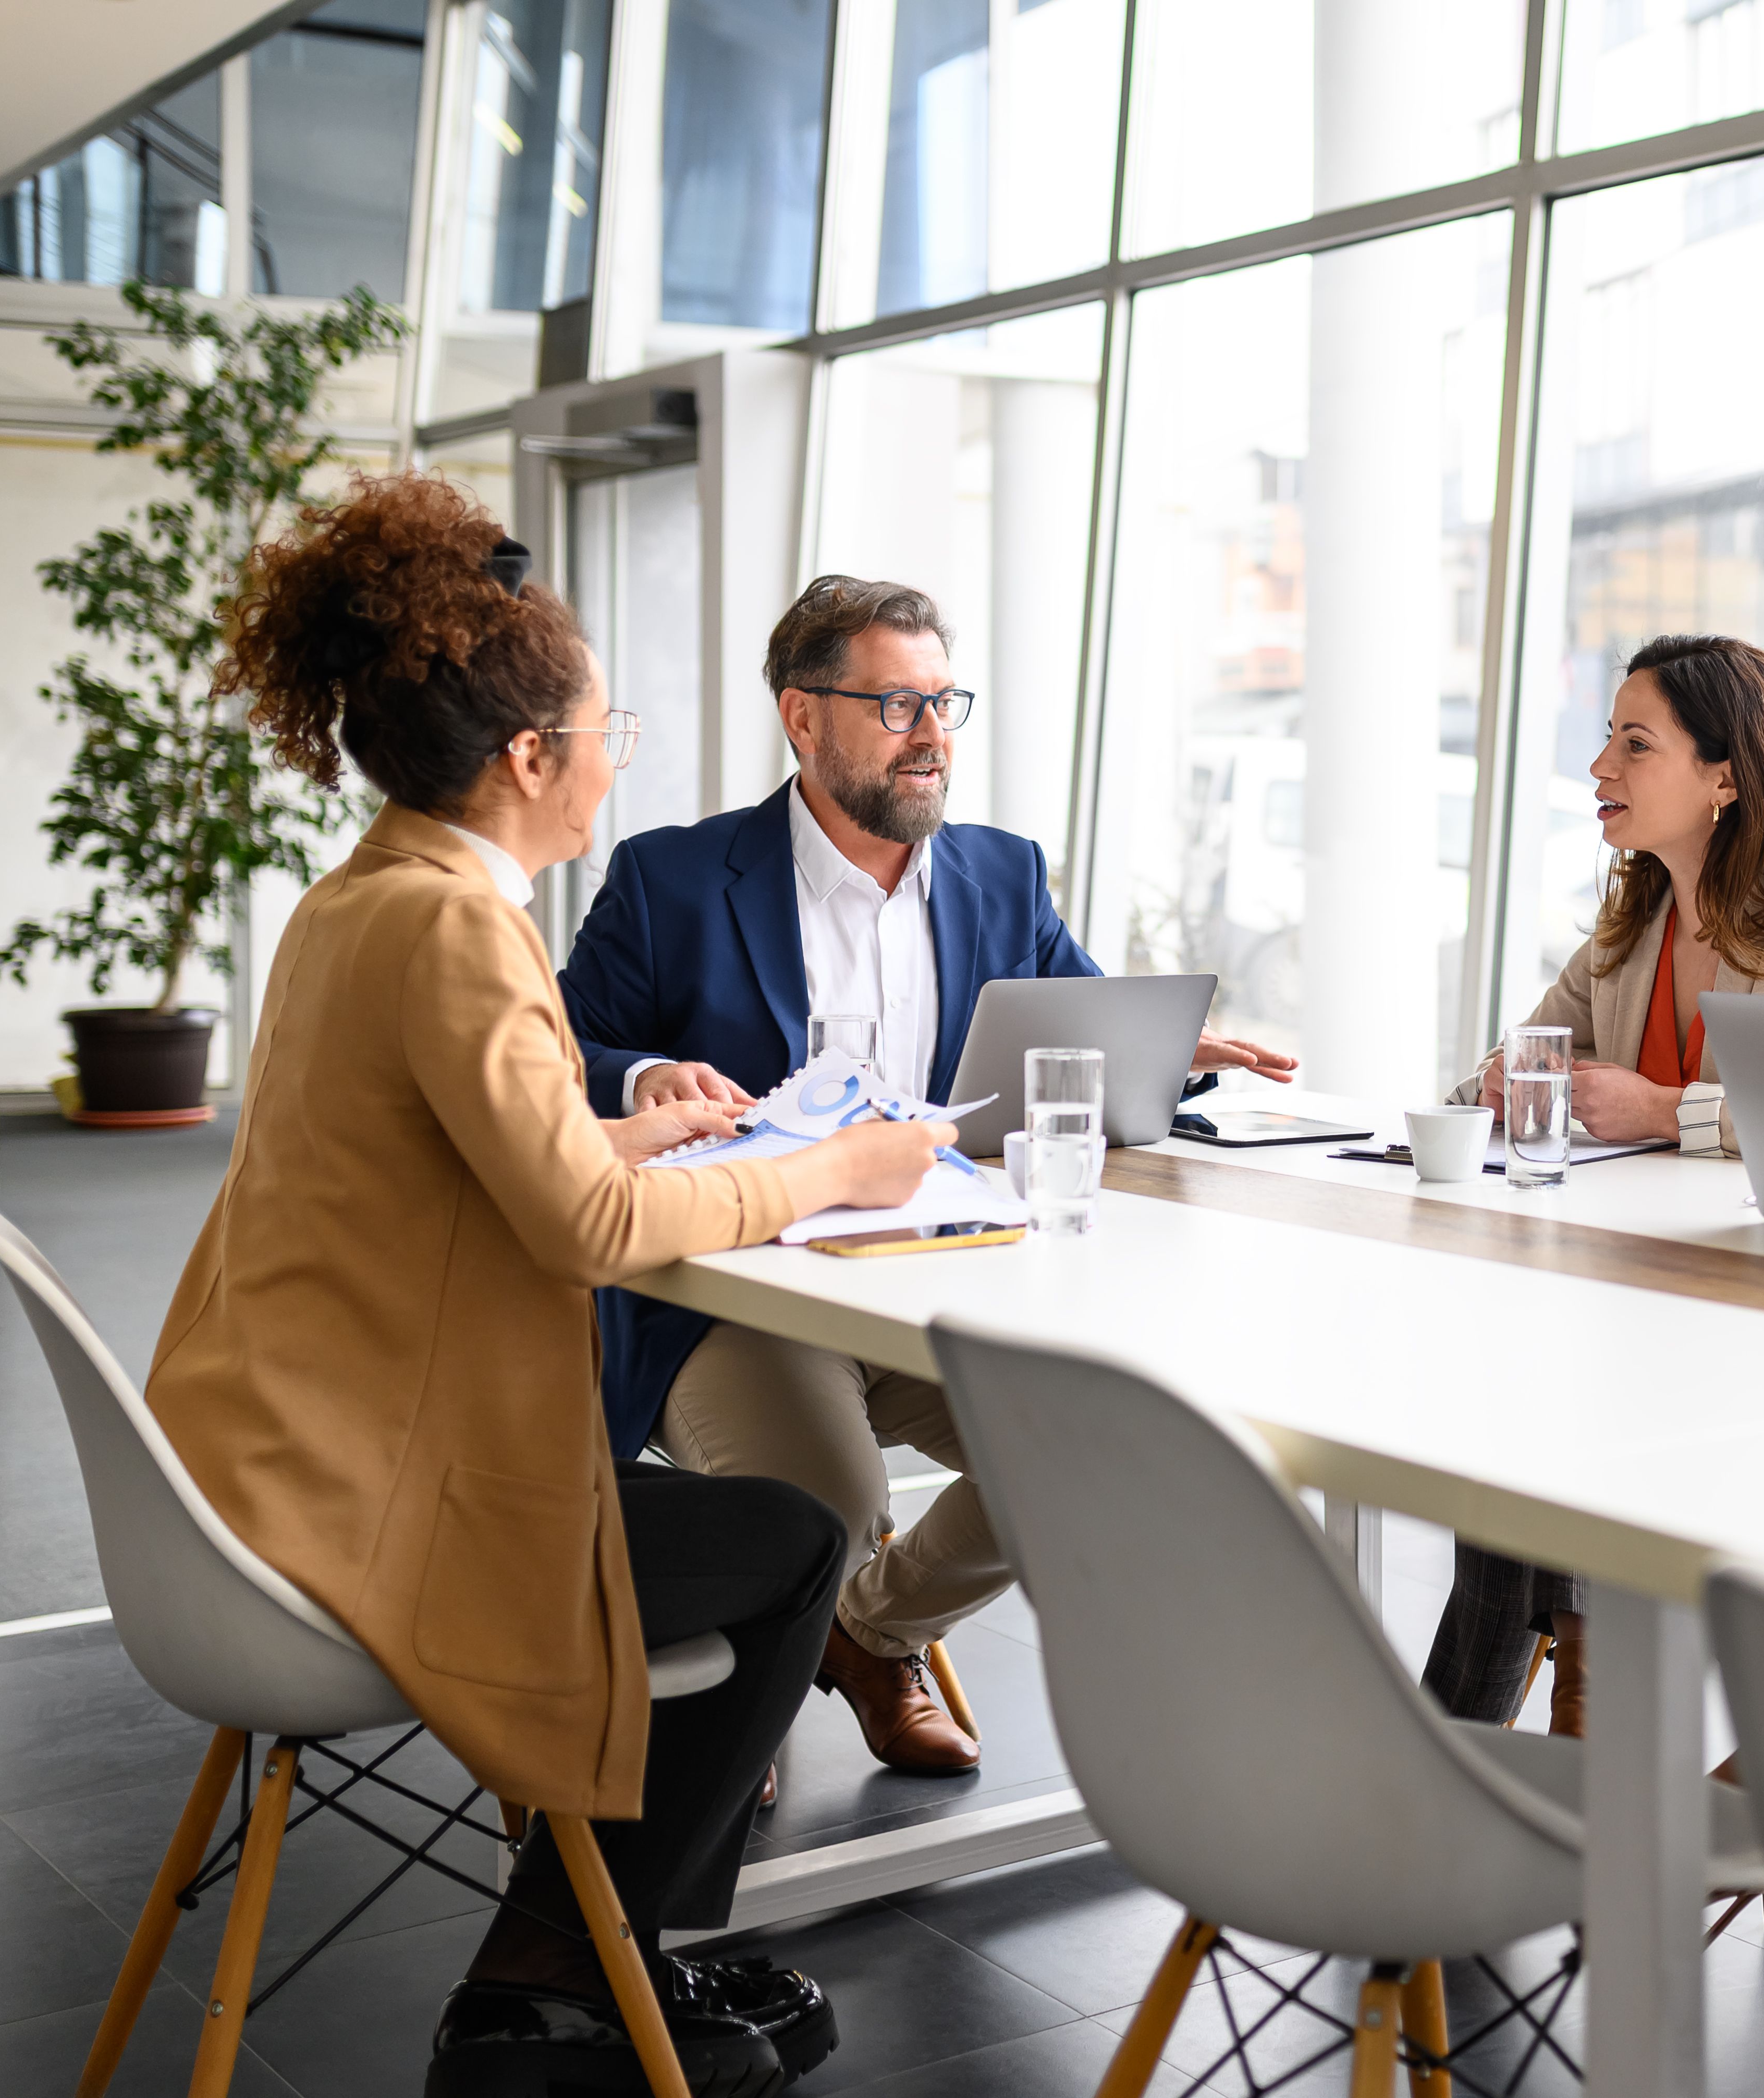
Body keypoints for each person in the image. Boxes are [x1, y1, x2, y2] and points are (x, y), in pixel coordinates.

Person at [151, 475, 947, 2095]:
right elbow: (584, 1236)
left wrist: (617, 1124)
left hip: (258, 1471)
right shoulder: (456, 929)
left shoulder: (367, 897)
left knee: (759, 1530)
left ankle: (596, 1963)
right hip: (360, 1504)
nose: (614, 757)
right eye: (608, 728)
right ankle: (575, 1972)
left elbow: (469, 1156)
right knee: (795, 1545)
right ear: (530, 759)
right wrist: (836, 1169)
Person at [557, 574, 1296, 1774]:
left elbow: (1072, 1029)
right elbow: (558, 1049)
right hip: (744, 1292)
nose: (933, 735)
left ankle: (872, 1634)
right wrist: (643, 1075)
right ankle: (735, 1736)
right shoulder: (673, 878)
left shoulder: (1004, 873)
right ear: (804, 717)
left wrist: (1163, 1048)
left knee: (1112, 1442)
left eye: (944, 701)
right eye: (897, 704)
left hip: (945, 1278)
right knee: (827, 1506)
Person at [1424, 633, 1764, 1731]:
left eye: (1633, 743)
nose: (1600, 767)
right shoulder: (1628, 929)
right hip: (1643, 1316)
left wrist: (1665, 1108)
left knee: (1536, 1426)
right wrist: (1510, 1082)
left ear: (1727, 776)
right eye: (1607, 739)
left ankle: (1464, 1748)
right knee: (1523, 1414)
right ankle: (1556, 1711)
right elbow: (1487, 1076)